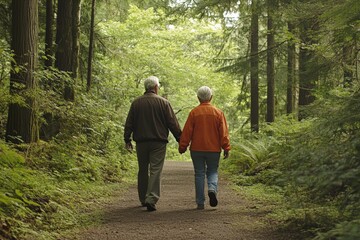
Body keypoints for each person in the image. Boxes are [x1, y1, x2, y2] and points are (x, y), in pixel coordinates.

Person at [124, 76, 182, 212]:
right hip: (158, 142)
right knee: (155, 170)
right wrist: (181, 139)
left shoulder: (136, 103)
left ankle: (143, 198)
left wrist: (127, 139)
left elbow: (129, 122)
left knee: (143, 169)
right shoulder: (164, 103)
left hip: (141, 142)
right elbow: (172, 123)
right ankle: (152, 198)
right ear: (156, 87)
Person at [178, 86, 230, 210]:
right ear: (211, 97)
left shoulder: (194, 113)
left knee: (199, 174)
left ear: (198, 98)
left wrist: (183, 146)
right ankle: (212, 189)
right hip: (213, 149)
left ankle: (200, 202)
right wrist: (226, 147)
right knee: (212, 171)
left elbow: (187, 132)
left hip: (197, 149)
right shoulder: (218, 113)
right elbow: (223, 133)